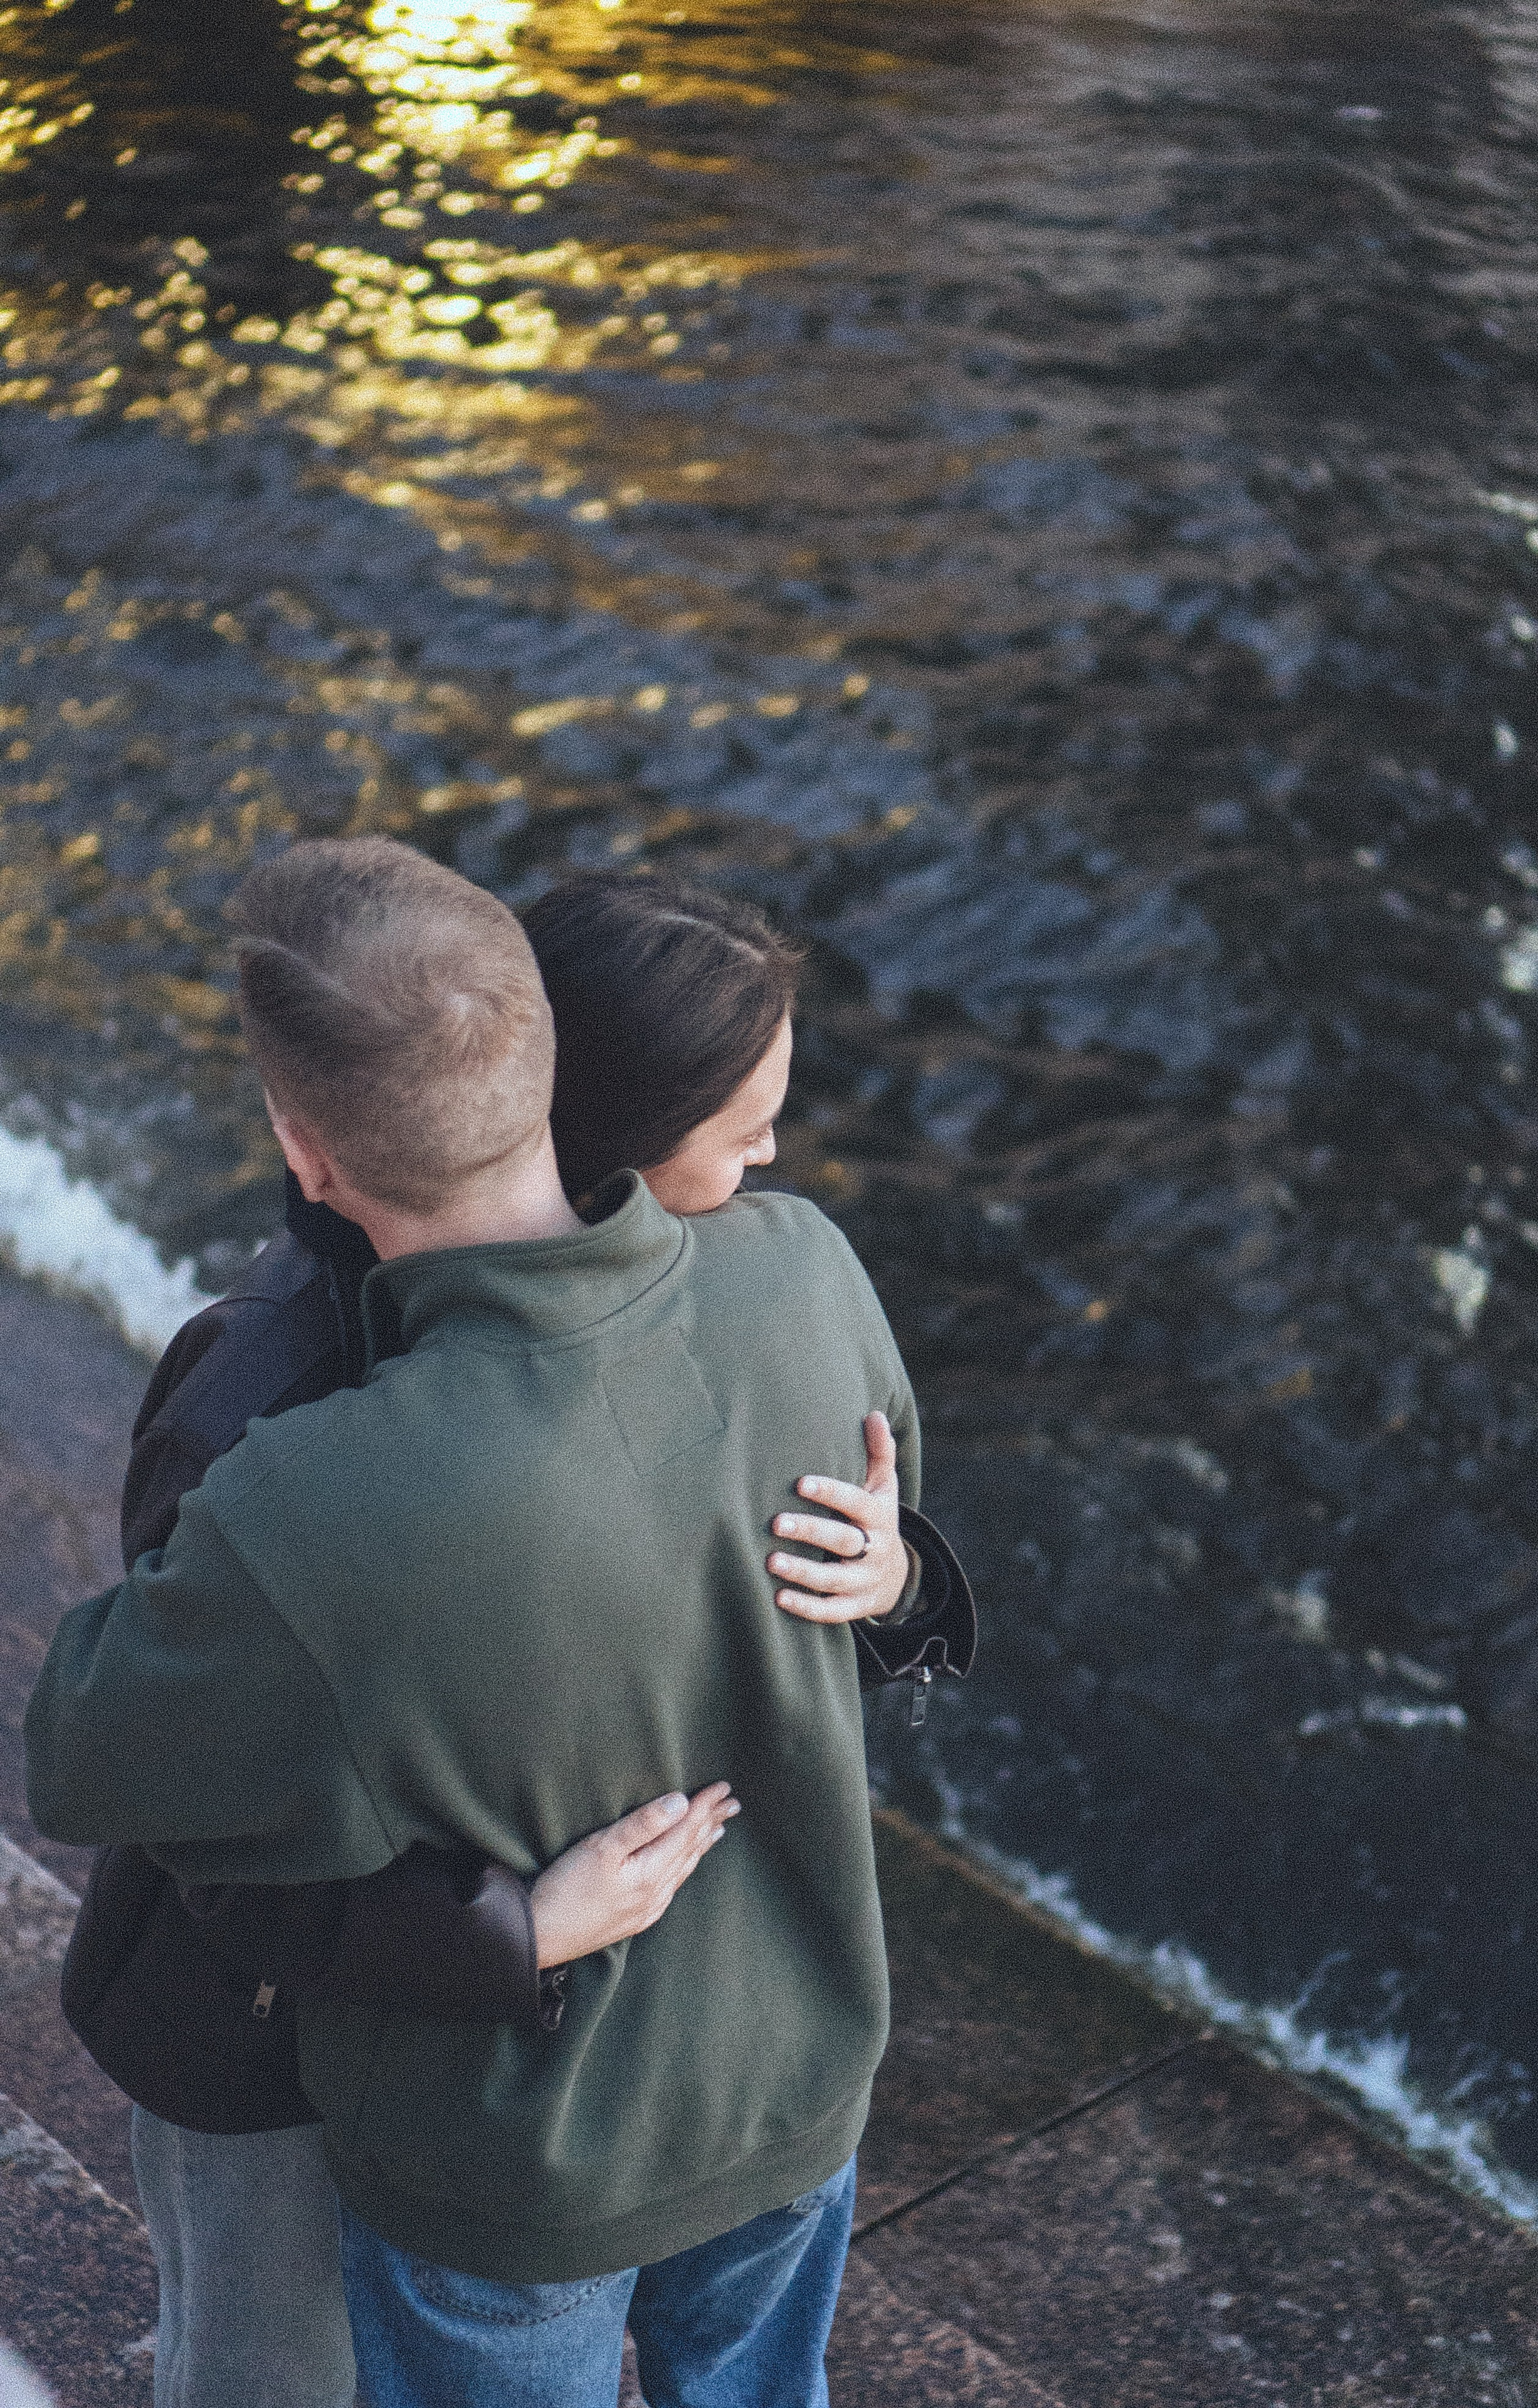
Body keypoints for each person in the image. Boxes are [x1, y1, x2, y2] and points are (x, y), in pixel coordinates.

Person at [43, 852, 972, 2408]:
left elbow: (89, 1758)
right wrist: (894, 1575)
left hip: (521, 2160)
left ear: (302, 1145)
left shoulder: (307, 1494)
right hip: (798, 2076)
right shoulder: (807, 1266)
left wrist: (901, 1584)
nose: (763, 1160)